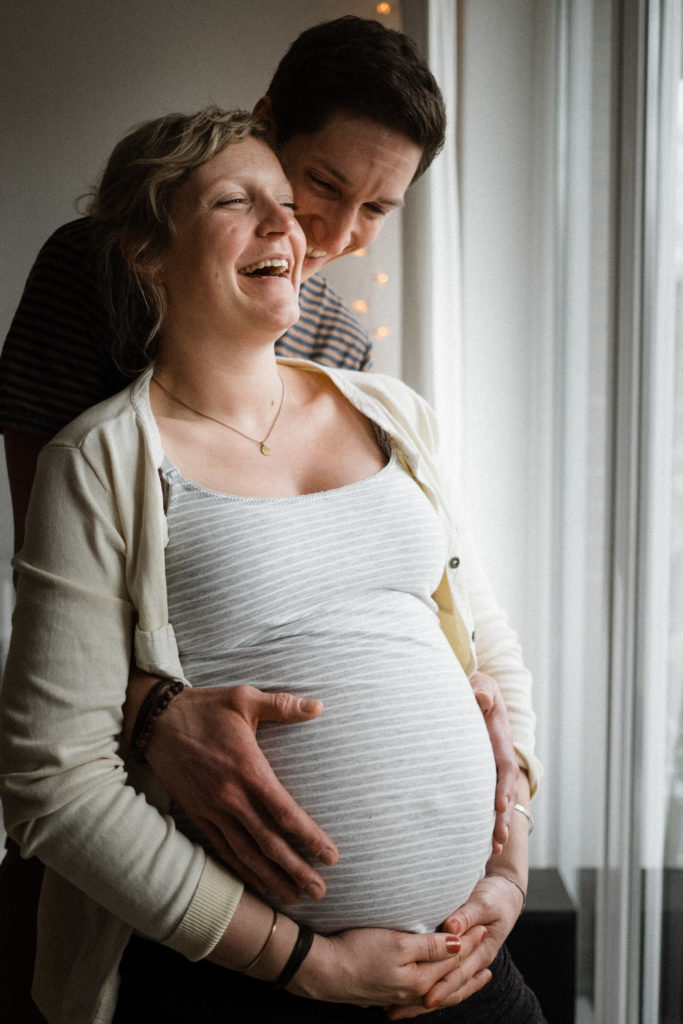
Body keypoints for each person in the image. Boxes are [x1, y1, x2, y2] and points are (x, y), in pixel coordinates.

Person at [0, 16, 537, 1020]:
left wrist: (505, 845)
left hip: (456, 950)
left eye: (374, 209)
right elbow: (58, 617)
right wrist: (155, 718)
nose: (324, 239)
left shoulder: (352, 359)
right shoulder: (93, 306)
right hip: (209, 911)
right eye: (317, 190)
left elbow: (456, 616)